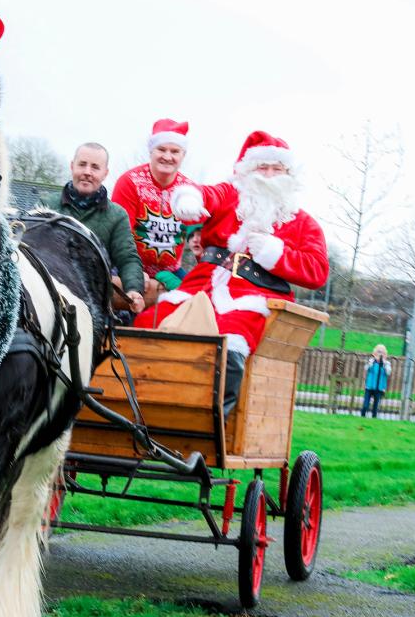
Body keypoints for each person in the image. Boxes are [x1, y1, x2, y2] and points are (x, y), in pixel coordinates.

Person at [134, 130, 329, 416]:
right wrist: (188, 198)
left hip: (253, 295)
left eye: (278, 169)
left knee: (232, 339)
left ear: (289, 174)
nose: (270, 175)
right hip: (201, 286)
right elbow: (207, 195)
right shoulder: (230, 195)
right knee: (147, 323)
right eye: (263, 167)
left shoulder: (302, 222)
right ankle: (135, 406)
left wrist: (276, 254)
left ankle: (210, 422)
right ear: (248, 170)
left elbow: (317, 270)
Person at [41, 142, 145, 314]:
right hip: (48, 299)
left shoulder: (117, 216)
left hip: (93, 304)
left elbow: (128, 258)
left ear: (105, 173)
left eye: (95, 167)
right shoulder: (46, 206)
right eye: (82, 164)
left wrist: (134, 289)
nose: (87, 172)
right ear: (72, 166)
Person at [111, 119, 199, 306]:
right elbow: (119, 236)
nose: (167, 157)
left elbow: (200, 237)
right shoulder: (130, 182)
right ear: (151, 151)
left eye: (174, 151)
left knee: (197, 301)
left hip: (172, 271)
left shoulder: (190, 191)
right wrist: (132, 271)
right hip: (129, 266)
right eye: (161, 149)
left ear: (183, 155)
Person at [361, 344, 391, 418]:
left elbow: (388, 372)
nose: (380, 354)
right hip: (369, 386)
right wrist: (371, 361)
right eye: (378, 352)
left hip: (379, 388)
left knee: (375, 407)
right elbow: (366, 368)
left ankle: (374, 418)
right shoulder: (371, 361)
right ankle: (362, 416)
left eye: (382, 352)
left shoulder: (386, 364)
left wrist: (384, 363)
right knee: (365, 405)